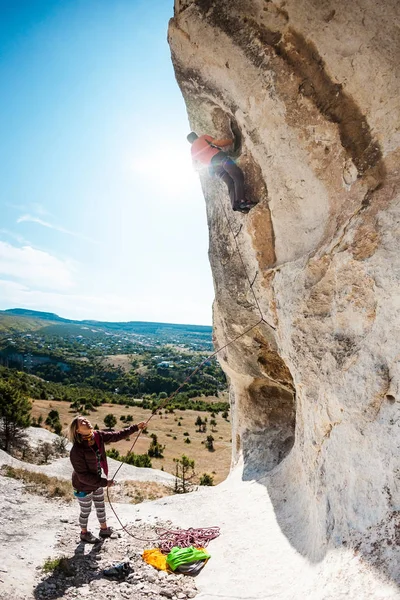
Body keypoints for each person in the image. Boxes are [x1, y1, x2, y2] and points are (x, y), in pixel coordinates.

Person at [68, 415, 146, 543]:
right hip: (82, 486)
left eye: (85, 419)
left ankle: (104, 530)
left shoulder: (97, 436)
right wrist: (105, 482)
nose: (86, 421)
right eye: (81, 422)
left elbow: (116, 436)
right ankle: (84, 533)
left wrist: (136, 428)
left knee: (100, 506)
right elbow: (83, 476)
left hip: (97, 481)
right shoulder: (77, 450)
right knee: (85, 511)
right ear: (77, 430)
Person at [187, 131, 257, 213]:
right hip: (220, 158)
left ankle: (235, 204)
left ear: (190, 142)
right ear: (196, 135)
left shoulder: (192, 151)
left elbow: (197, 165)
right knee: (237, 175)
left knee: (230, 183)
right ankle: (242, 201)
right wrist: (232, 141)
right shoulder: (202, 138)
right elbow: (219, 143)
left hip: (214, 168)